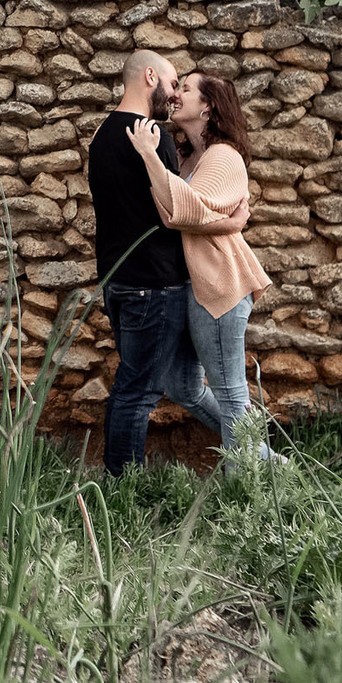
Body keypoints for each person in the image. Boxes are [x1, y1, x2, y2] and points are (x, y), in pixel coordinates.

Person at [129, 71, 273, 455]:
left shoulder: (223, 157)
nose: (175, 95)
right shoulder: (186, 157)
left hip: (220, 284)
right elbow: (176, 211)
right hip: (193, 287)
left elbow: (181, 211)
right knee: (183, 387)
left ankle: (249, 489)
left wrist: (147, 155)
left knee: (229, 389)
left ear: (207, 106)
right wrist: (230, 222)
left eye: (186, 89)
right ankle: (268, 461)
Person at [85, 48, 194, 473]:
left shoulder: (101, 137)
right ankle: (122, 488)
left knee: (130, 386)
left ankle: (117, 481)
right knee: (138, 392)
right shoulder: (152, 136)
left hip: (117, 282)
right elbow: (173, 210)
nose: (173, 94)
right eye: (171, 82)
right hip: (155, 283)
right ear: (149, 76)